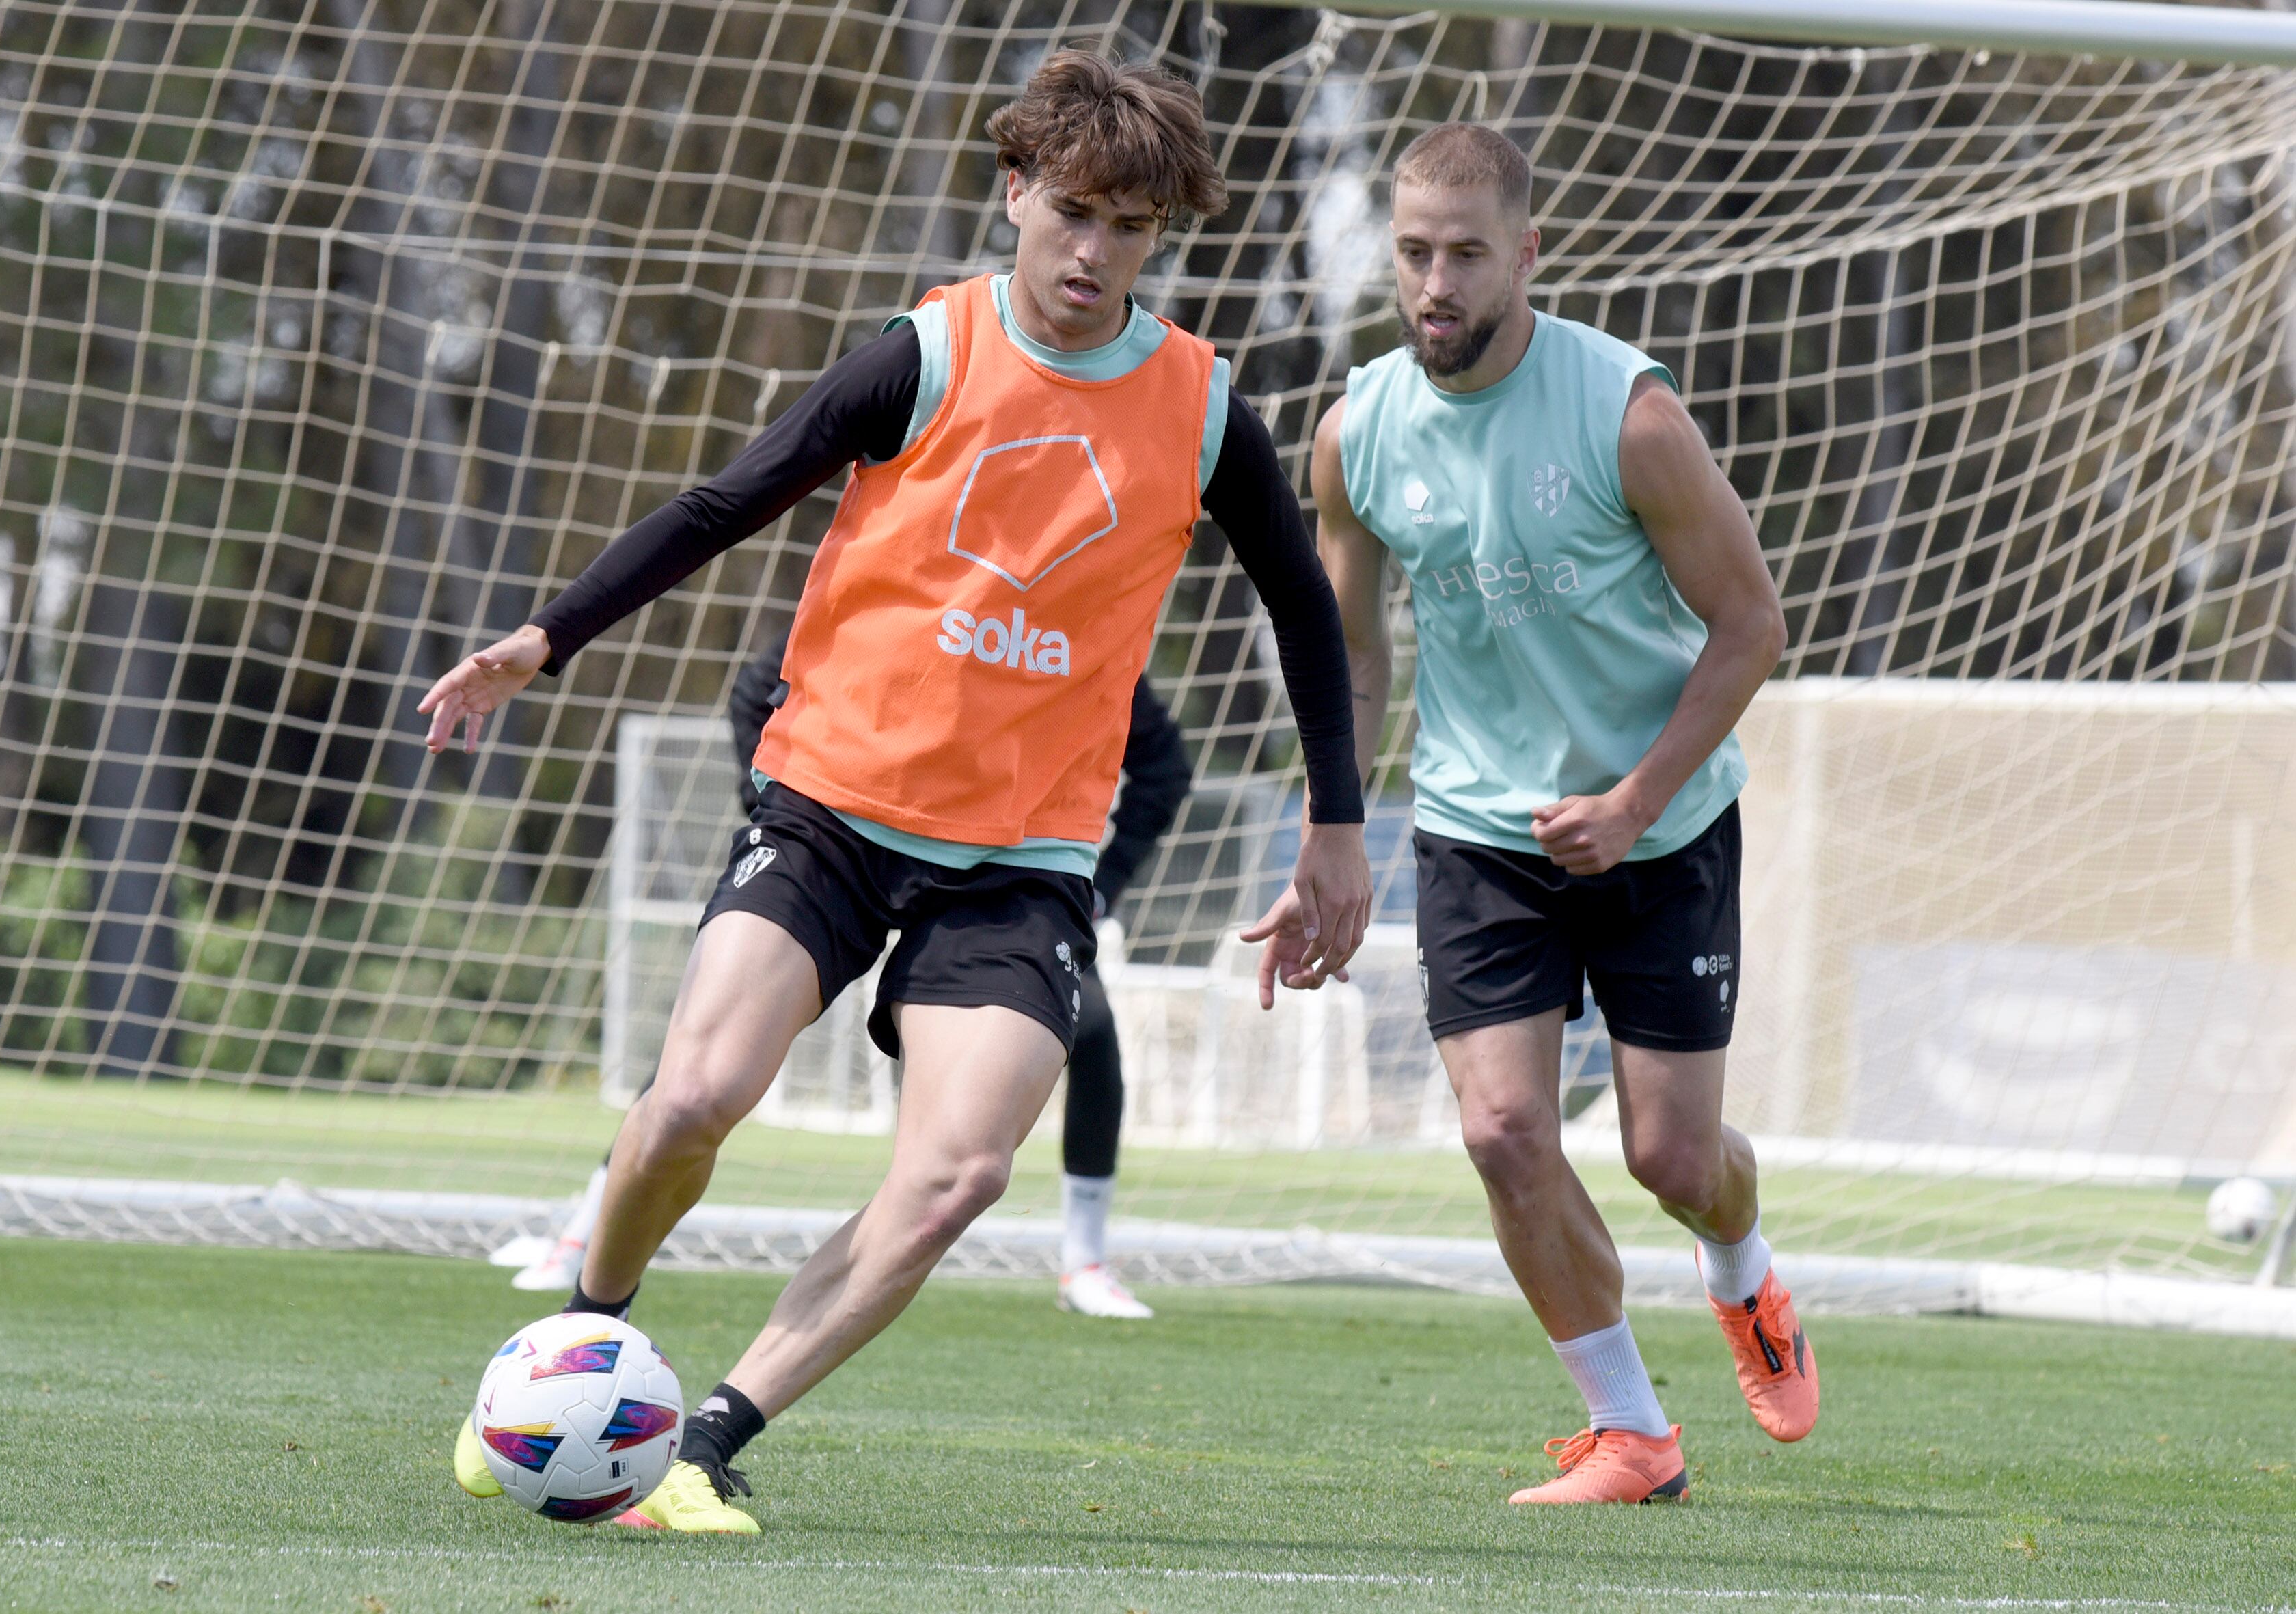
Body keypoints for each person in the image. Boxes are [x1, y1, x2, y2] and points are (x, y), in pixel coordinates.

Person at [421, 51, 1369, 1534]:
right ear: (1014, 194)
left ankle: (703, 1442)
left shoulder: (1196, 407)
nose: (1091, 251)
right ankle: (563, 1365)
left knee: (958, 1175)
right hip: (826, 810)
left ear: (1157, 234)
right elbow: (727, 499)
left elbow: (1303, 607)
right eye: (1069, 210)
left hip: (1020, 861)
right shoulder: (921, 355)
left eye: (1128, 225)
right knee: (692, 1097)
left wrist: (1334, 827)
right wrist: (547, 638)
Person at [1276, 122, 1802, 1505]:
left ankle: (1742, 1271)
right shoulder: (1357, 431)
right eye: (1410, 253)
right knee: (1502, 1128)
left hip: (1660, 823)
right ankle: (1630, 1430)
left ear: (1526, 253)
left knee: (1671, 1156)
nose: (1433, 281)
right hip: (1474, 828)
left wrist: (1633, 800)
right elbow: (1354, 651)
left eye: (1463, 253)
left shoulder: (1626, 415)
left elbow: (1750, 624)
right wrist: (1333, 828)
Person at [499, 633, 1194, 1321]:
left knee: (1090, 1030)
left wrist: (1100, 886)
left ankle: (1085, 1261)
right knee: (708, 1060)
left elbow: (1164, 767)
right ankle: (585, 1239)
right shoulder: (894, 603)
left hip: (993, 892)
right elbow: (758, 685)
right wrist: (779, 808)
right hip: (844, 856)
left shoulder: (1077, 635)